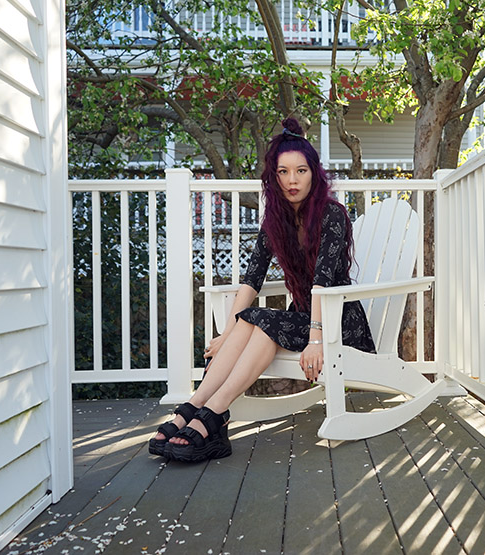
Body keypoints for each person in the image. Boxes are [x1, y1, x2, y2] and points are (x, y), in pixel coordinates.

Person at [148, 118, 375, 463]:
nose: (292, 180)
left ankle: (212, 413)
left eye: (300, 171)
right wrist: (228, 335)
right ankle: (198, 407)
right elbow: (251, 279)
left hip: (339, 322)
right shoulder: (276, 221)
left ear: (314, 174)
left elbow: (323, 281)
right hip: (302, 320)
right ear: (274, 176)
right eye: (283, 172)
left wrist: (316, 339)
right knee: (257, 320)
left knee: (266, 324)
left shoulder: (332, 214)